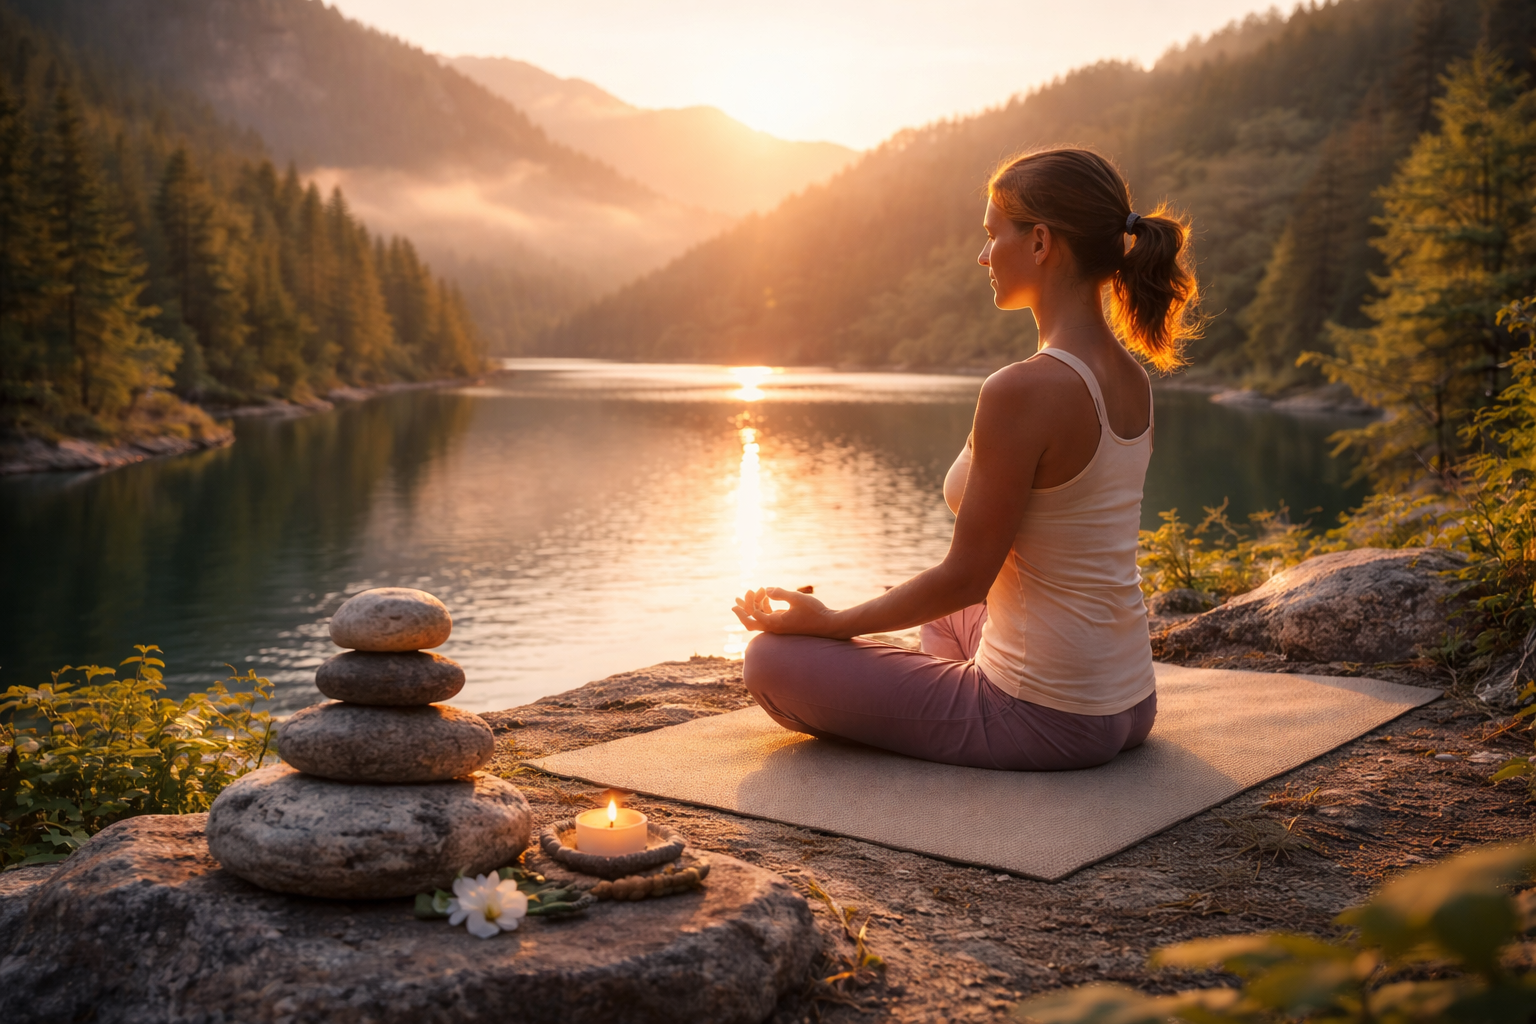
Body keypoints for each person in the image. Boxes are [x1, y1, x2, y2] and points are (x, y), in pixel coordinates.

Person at [731, 147, 1200, 771]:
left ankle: (951, 711)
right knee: (944, 614)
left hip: (1043, 717)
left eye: (991, 235)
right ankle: (942, 697)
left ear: (1039, 242)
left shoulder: (1023, 389)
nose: (982, 255)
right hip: (1128, 702)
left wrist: (831, 623)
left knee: (769, 661)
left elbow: (964, 576)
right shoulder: (1129, 376)